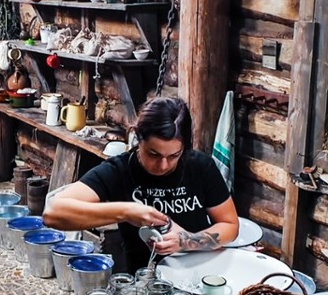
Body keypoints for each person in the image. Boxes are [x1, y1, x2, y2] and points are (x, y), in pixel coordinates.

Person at [43, 97, 239, 270]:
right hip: (145, 277)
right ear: (138, 138)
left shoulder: (200, 166)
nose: (163, 165)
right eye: (153, 154)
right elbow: (52, 213)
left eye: (174, 156)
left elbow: (230, 225)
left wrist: (186, 241)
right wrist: (127, 212)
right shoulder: (119, 170)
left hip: (198, 271)